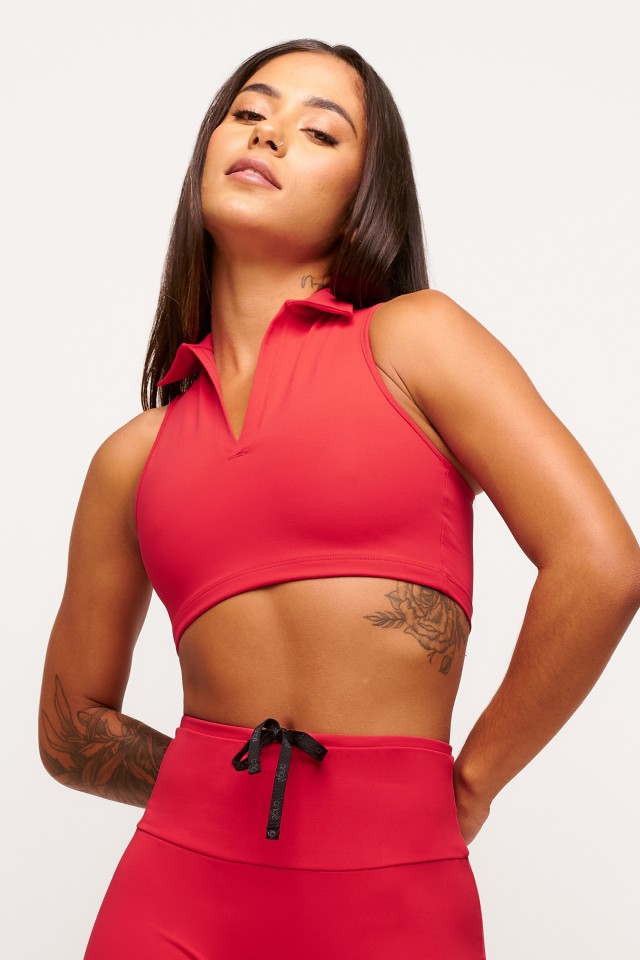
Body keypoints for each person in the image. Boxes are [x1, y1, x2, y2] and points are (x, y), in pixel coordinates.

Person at [38, 37, 640, 960]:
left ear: (366, 197)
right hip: (171, 899)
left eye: (320, 132)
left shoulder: (416, 343)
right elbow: (70, 727)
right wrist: (210, 781)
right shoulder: (134, 456)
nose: (268, 134)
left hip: (395, 894)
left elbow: (601, 566)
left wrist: (471, 782)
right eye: (248, 113)